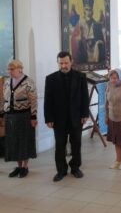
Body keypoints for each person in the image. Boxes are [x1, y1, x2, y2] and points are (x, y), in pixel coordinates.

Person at [44, 51, 90, 182]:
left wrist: (85, 114)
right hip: (58, 119)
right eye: (61, 63)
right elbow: (48, 100)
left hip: (76, 117)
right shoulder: (51, 78)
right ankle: (61, 170)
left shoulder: (80, 77)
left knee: (76, 144)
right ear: (58, 63)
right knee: (60, 145)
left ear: (71, 62)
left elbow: (84, 97)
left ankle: (75, 167)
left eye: (66, 63)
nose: (63, 66)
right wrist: (49, 118)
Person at [0, 60, 37, 178]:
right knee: (14, 142)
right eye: (9, 69)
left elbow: (34, 101)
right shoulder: (6, 82)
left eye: (12, 69)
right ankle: (19, 166)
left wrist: (33, 117)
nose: (10, 71)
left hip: (24, 116)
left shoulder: (28, 82)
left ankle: (24, 167)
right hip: (10, 116)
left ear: (20, 68)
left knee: (24, 141)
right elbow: (3, 100)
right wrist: (1, 114)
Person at [70, 0, 106, 64]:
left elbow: (102, 42)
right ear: (83, 9)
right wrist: (79, 39)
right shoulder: (80, 23)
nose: (88, 12)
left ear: (92, 10)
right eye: (86, 9)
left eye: (90, 9)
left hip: (95, 54)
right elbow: (73, 38)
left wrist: (97, 43)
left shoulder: (96, 25)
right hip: (84, 52)